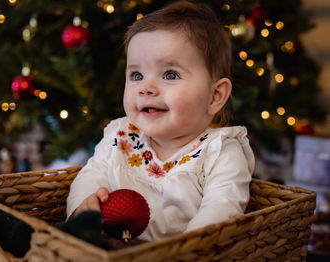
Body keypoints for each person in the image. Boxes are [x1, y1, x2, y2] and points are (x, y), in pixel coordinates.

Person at [67, 0, 255, 242]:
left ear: (215, 96)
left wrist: (185, 251)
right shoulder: (121, 135)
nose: (146, 87)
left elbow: (222, 208)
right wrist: (83, 208)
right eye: (136, 75)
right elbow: (91, 174)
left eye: (170, 74)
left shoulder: (220, 151)